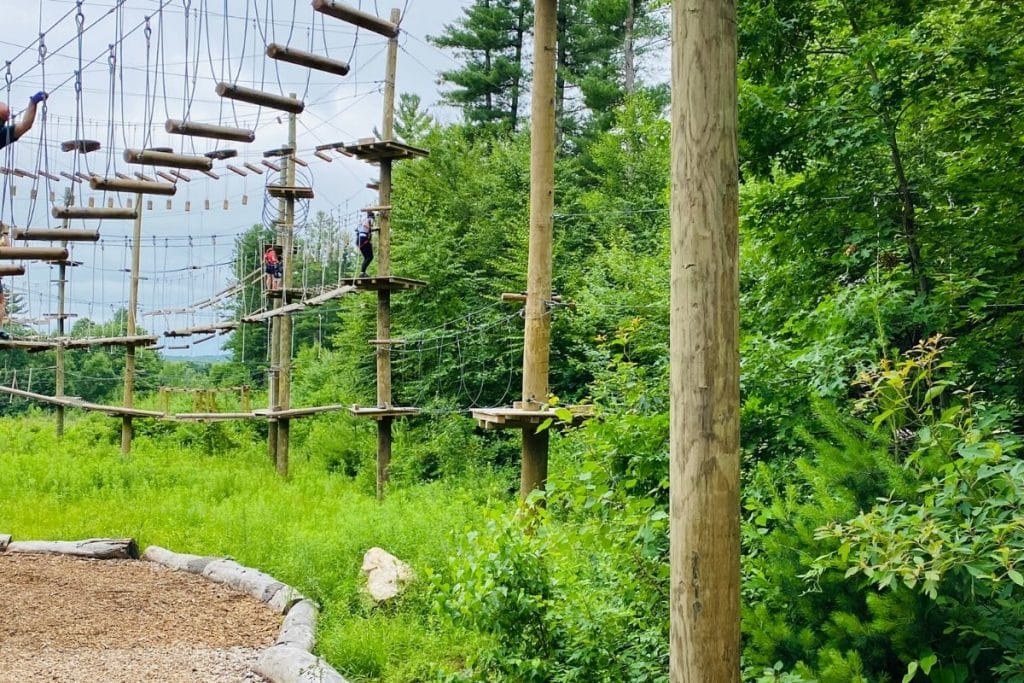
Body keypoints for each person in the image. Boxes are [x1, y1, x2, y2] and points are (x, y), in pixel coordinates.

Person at [356, 213, 375, 278]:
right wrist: (370, 228)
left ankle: (362, 272)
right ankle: (362, 273)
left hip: (359, 240)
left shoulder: (362, 221)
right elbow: (365, 224)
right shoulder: (369, 219)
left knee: (367, 257)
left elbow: (357, 229)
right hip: (363, 240)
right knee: (370, 257)